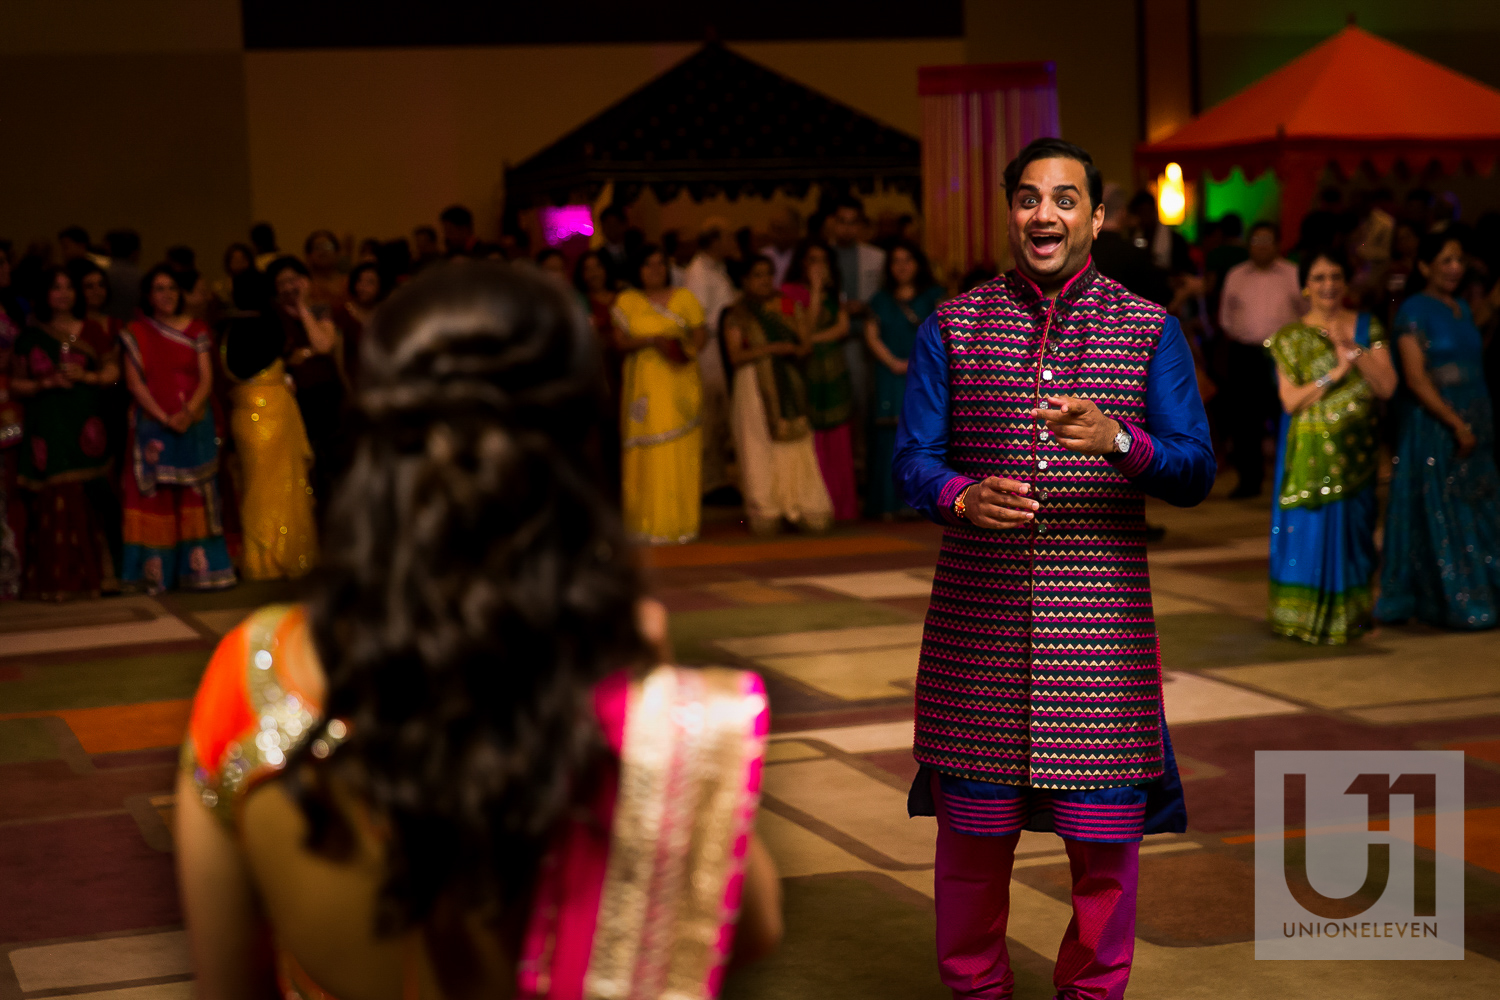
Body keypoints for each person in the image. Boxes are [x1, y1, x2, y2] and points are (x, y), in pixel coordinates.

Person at [175, 261, 780, 999]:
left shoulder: (255, 672)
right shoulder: (612, 669)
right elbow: (747, 930)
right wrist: (658, 709)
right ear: (575, 437)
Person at [893, 137, 1214, 1000]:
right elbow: (912, 461)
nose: (1046, 214)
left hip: (1100, 640)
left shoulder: (1150, 331)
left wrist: (1119, 439)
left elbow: (1195, 470)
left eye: (1066, 199)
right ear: (1011, 213)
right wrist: (959, 497)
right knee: (970, 854)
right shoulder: (952, 327)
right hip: (978, 634)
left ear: (1097, 216)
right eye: (1030, 198)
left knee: (1105, 864)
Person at [1267, 248, 1397, 644]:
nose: (1329, 286)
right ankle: (1302, 619)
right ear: (1305, 286)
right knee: (1309, 532)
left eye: (1336, 277)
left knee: (1356, 536)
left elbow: (1387, 386)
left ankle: (1352, 619)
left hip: (1357, 458)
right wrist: (1335, 374)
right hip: (1310, 459)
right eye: (1320, 278)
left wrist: (1353, 351)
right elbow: (1290, 401)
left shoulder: (1366, 327)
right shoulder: (1291, 337)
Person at [1377, 232, 1500, 629]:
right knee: (1444, 511)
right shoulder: (1414, 310)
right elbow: (1415, 378)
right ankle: (1450, 597)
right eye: (1445, 261)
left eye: (1459, 260)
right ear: (1425, 267)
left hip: (1476, 417)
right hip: (1437, 424)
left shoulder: (1462, 307)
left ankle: (1486, 589)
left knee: (1481, 505)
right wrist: (1454, 423)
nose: (1454, 268)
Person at [119, 265, 236, 593]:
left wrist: (189, 412)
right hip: (153, 423)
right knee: (155, 497)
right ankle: (156, 575)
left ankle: (201, 572)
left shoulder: (197, 329)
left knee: (195, 495)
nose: (167, 294)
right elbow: (134, 382)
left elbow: (206, 377)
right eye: (159, 289)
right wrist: (163, 416)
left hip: (194, 421)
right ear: (148, 295)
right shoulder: (136, 332)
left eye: (172, 288)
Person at [11, 266, 120, 599]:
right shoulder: (30, 337)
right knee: (55, 498)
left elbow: (114, 374)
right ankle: (55, 582)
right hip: (49, 422)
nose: (63, 293)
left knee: (93, 496)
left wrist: (86, 378)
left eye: (68, 287)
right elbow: (16, 383)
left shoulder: (93, 330)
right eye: (56, 288)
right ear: (44, 295)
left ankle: (101, 577)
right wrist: (46, 383)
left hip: (87, 422)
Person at [723, 256, 834, 536]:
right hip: (753, 385)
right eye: (757, 275)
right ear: (745, 280)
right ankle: (766, 508)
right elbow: (736, 356)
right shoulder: (738, 313)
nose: (763, 281)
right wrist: (772, 349)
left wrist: (792, 348)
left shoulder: (786, 305)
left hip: (789, 384)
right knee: (757, 446)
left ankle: (802, 505)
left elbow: (805, 343)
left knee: (795, 445)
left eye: (767, 274)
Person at [614, 246, 707, 544]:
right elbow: (619, 343)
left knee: (680, 452)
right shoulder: (627, 302)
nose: (655, 270)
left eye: (660, 264)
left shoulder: (685, 298)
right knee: (647, 454)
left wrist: (680, 349)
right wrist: (652, 340)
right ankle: (646, 524)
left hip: (679, 382)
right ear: (637, 270)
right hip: (644, 386)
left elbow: (700, 336)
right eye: (648, 265)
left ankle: (680, 524)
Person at [221, 313, 318, 581]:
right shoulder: (265, 327)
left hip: (249, 417)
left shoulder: (228, 332)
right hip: (270, 415)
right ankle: (281, 557)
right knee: (281, 487)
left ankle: (261, 561)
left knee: (257, 489)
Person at [1218, 221, 1306, 498]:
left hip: (1285, 355)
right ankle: (1249, 481)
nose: (1261, 247)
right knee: (1245, 421)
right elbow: (1225, 315)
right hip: (1246, 354)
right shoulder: (1236, 275)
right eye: (1256, 241)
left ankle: (1291, 479)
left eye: (1267, 241)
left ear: (1279, 245)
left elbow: (1307, 312)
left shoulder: (1293, 274)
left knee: (1285, 417)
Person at [865, 241, 943, 518]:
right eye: (896, 260)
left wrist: (916, 363)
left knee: (923, 434)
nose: (902, 266)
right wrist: (893, 363)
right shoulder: (880, 300)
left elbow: (946, 333)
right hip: (890, 372)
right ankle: (888, 503)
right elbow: (871, 335)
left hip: (925, 372)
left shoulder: (934, 296)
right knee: (889, 435)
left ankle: (919, 502)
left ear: (919, 264)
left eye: (908, 259)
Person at [783, 240, 857, 520]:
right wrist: (814, 292)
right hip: (806, 369)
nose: (818, 267)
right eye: (812, 260)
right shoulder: (790, 293)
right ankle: (815, 505)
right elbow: (803, 329)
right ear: (801, 262)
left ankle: (841, 505)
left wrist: (811, 340)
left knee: (838, 435)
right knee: (812, 435)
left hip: (833, 367)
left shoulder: (833, 291)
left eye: (823, 260)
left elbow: (842, 327)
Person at [267, 256, 344, 510]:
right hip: (296, 397)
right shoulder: (272, 316)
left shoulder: (320, 308)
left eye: (293, 280)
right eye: (282, 283)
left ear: (305, 281)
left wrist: (302, 306)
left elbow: (324, 344)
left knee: (335, 459)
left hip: (327, 392)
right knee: (308, 460)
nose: (289, 287)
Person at [682, 218, 739, 497]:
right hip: (709, 349)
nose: (732, 241)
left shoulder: (718, 268)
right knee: (711, 415)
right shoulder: (698, 272)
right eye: (727, 236)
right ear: (714, 241)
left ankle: (718, 479)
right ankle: (710, 483)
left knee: (720, 417)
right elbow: (698, 318)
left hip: (722, 345)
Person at [334, 261, 382, 386]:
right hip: (352, 381)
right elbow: (339, 359)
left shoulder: (385, 313)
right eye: (359, 281)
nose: (363, 287)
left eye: (370, 282)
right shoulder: (342, 313)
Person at [304, 230, 348, 312]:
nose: (323, 252)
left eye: (327, 246)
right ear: (309, 255)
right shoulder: (305, 285)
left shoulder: (349, 283)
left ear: (337, 252)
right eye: (317, 247)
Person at [104, 229, 143, 321]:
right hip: (133, 328)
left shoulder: (103, 275)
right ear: (135, 252)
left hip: (106, 326)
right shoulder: (142, 277)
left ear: (109, 249)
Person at [762, 207, 801, 287]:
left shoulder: (802, 255)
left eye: (780, 229)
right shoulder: (763, 255)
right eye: (773, 228)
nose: (774, 234)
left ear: (795, 230)